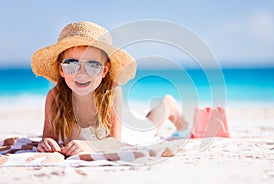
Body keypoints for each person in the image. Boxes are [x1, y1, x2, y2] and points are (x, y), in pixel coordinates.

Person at [31, 21, 188, 156]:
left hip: (127, 133)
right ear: (61, 70)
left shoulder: (112, 91)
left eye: (93, 65)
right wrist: (47, 143)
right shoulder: (54, 97)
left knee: (150, 126)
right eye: (72, 64)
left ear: (104, 71)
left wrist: (89, 146)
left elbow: (115, 140)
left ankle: (168, 104)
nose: (81, 73)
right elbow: (48, 136)